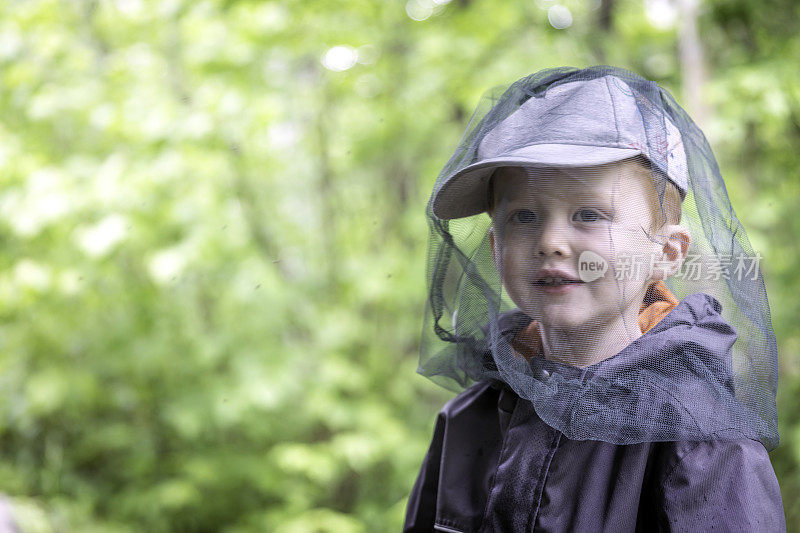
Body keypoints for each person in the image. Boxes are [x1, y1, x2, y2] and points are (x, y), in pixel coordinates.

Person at [404, 66, 785, 531]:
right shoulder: (470, 418)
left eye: (588, 214)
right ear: (494, 247)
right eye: (524, 216)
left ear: (666, 253)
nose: (551, 242)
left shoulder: (703, 442)